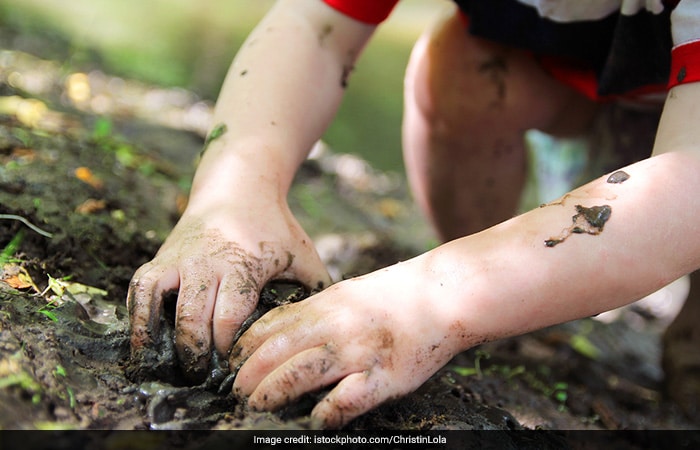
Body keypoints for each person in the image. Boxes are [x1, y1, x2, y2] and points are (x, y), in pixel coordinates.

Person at [127, 0, 700, 428]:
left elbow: (689, 176)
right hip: (583, 84)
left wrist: (432, 295)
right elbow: (315, 25)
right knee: (462, 65)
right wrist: (235, 195)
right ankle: (502, 315)